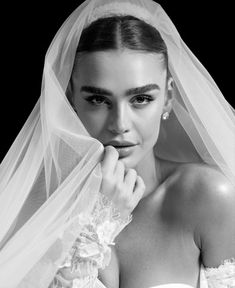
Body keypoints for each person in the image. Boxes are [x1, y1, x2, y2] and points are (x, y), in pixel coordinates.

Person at [0, 0, 234, 287]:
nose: (120, 123)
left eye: (141, 99)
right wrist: (100, 218)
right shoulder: (35, 211)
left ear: (168, 98)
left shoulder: (208, 197)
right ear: (72, 99)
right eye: (98, 100)